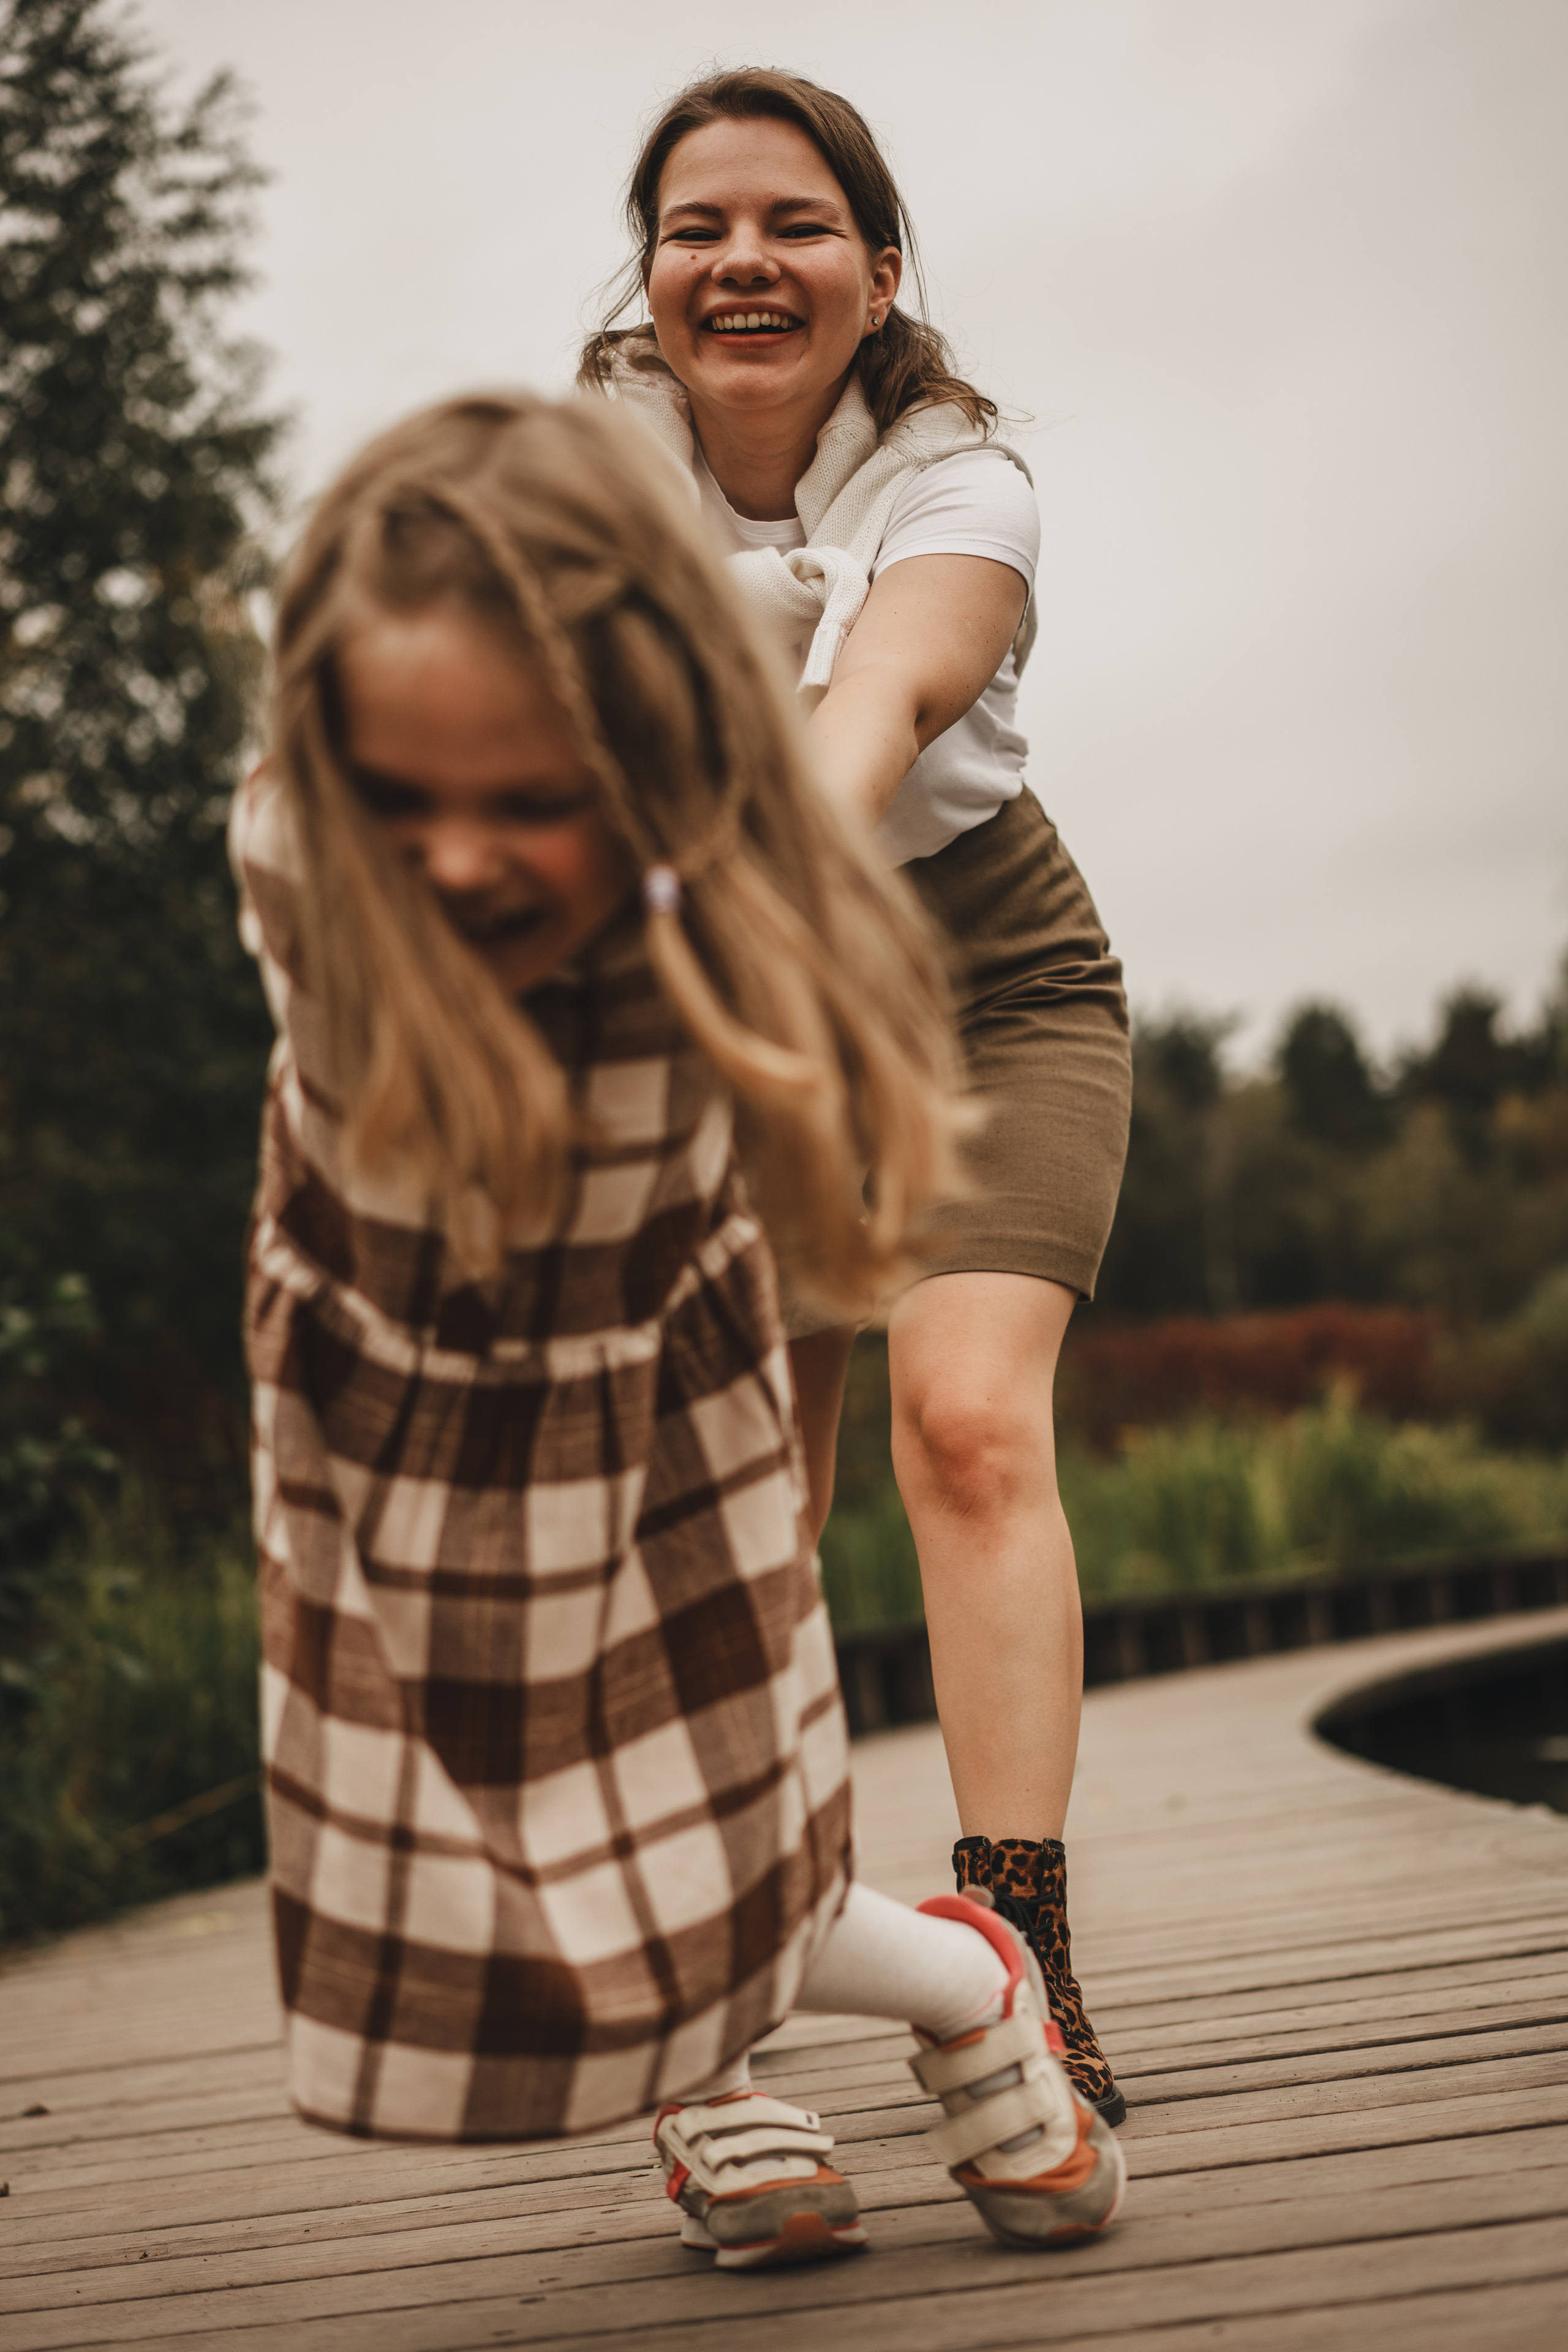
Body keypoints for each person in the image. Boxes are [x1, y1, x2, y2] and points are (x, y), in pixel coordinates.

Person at [231, 390, 1125, 2269]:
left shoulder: (710, 912)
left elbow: (856, 712)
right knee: (500, 1869)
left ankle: (968, 1983)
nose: (459, 859)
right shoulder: (306, 854)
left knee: (698, 1811)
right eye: (408, 800)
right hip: (396, 1412)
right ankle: (773, 2050)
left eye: (526, 803)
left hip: (661, 1361)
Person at [580, 70, 1134, 2124]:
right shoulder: (578, 489)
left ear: (879, 273)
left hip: (983, 982)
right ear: (651, 274)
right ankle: (722, 2010)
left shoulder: (962, 480)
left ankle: (1023, 1962)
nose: (745, 260)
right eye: (698, 226)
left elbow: (878, 701)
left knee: (969, 1426)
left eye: (797, 224)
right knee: (748, 1507)